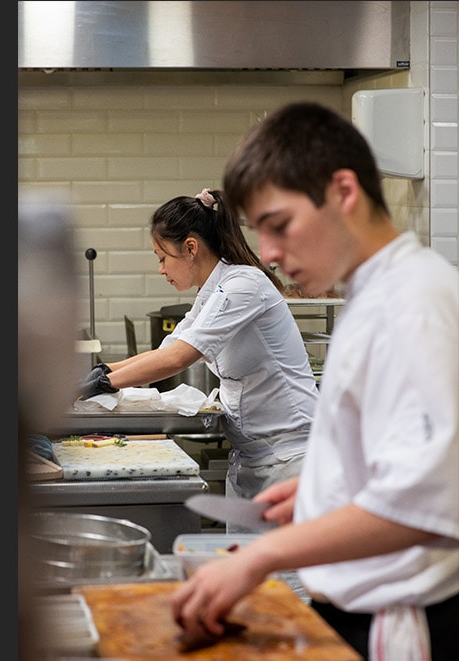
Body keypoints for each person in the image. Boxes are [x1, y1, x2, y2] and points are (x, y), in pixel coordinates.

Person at [171, 101, 459, 660]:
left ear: (344, 192)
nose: (271, 254)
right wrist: (327, 483)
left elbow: (431, 501)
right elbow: (404, 459)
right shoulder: (375, 295)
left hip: (399, 624)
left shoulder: (411, 302)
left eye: (279, 226)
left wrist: (260, 557)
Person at [76, 188, 317, 500]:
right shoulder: (212, 293)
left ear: (190, 247)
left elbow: (178, 359)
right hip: (253, 459)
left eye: (162, 258)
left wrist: (101, 384)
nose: (161, 269)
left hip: (291, 460)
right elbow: (167, 350)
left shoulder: (243, 285)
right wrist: (101, 371)